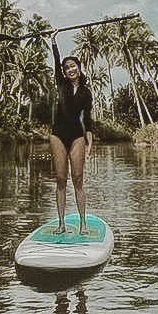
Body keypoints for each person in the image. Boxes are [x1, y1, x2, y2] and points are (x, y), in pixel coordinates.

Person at [49, 32, 95, 235]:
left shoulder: (86, 92)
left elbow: (88, 120)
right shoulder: (61, 84)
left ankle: (83, 223)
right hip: (57, 135)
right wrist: (53, 41)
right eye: (67, 68)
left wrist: (89, 144)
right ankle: (61, 224)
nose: (70, 69)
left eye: (73, 66)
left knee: (78, 179)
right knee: (60, 179)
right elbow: (56, 60)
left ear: (78, 67)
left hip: (77, 136)